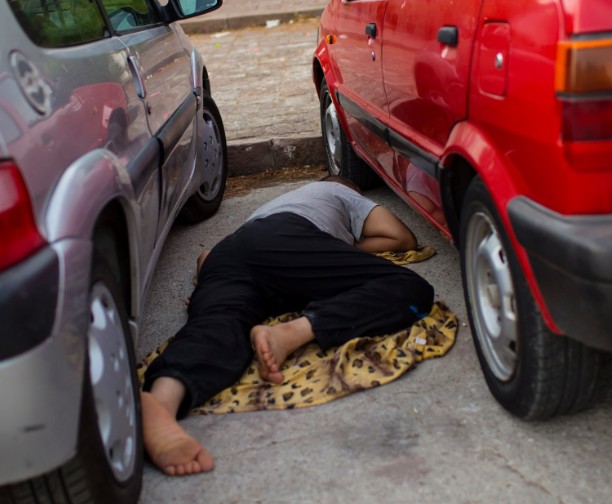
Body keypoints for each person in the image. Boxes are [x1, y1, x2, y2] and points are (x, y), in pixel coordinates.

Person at [141, 176, 435, 476]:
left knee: (217, 324)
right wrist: (344, 253)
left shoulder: (274, 206)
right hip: (288, 239)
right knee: (409, 287)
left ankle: (160, 403)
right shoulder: (340, 192)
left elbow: (206, 259)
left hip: (226, 255)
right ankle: (292, 333)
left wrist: (208, 291)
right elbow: (400, 237)